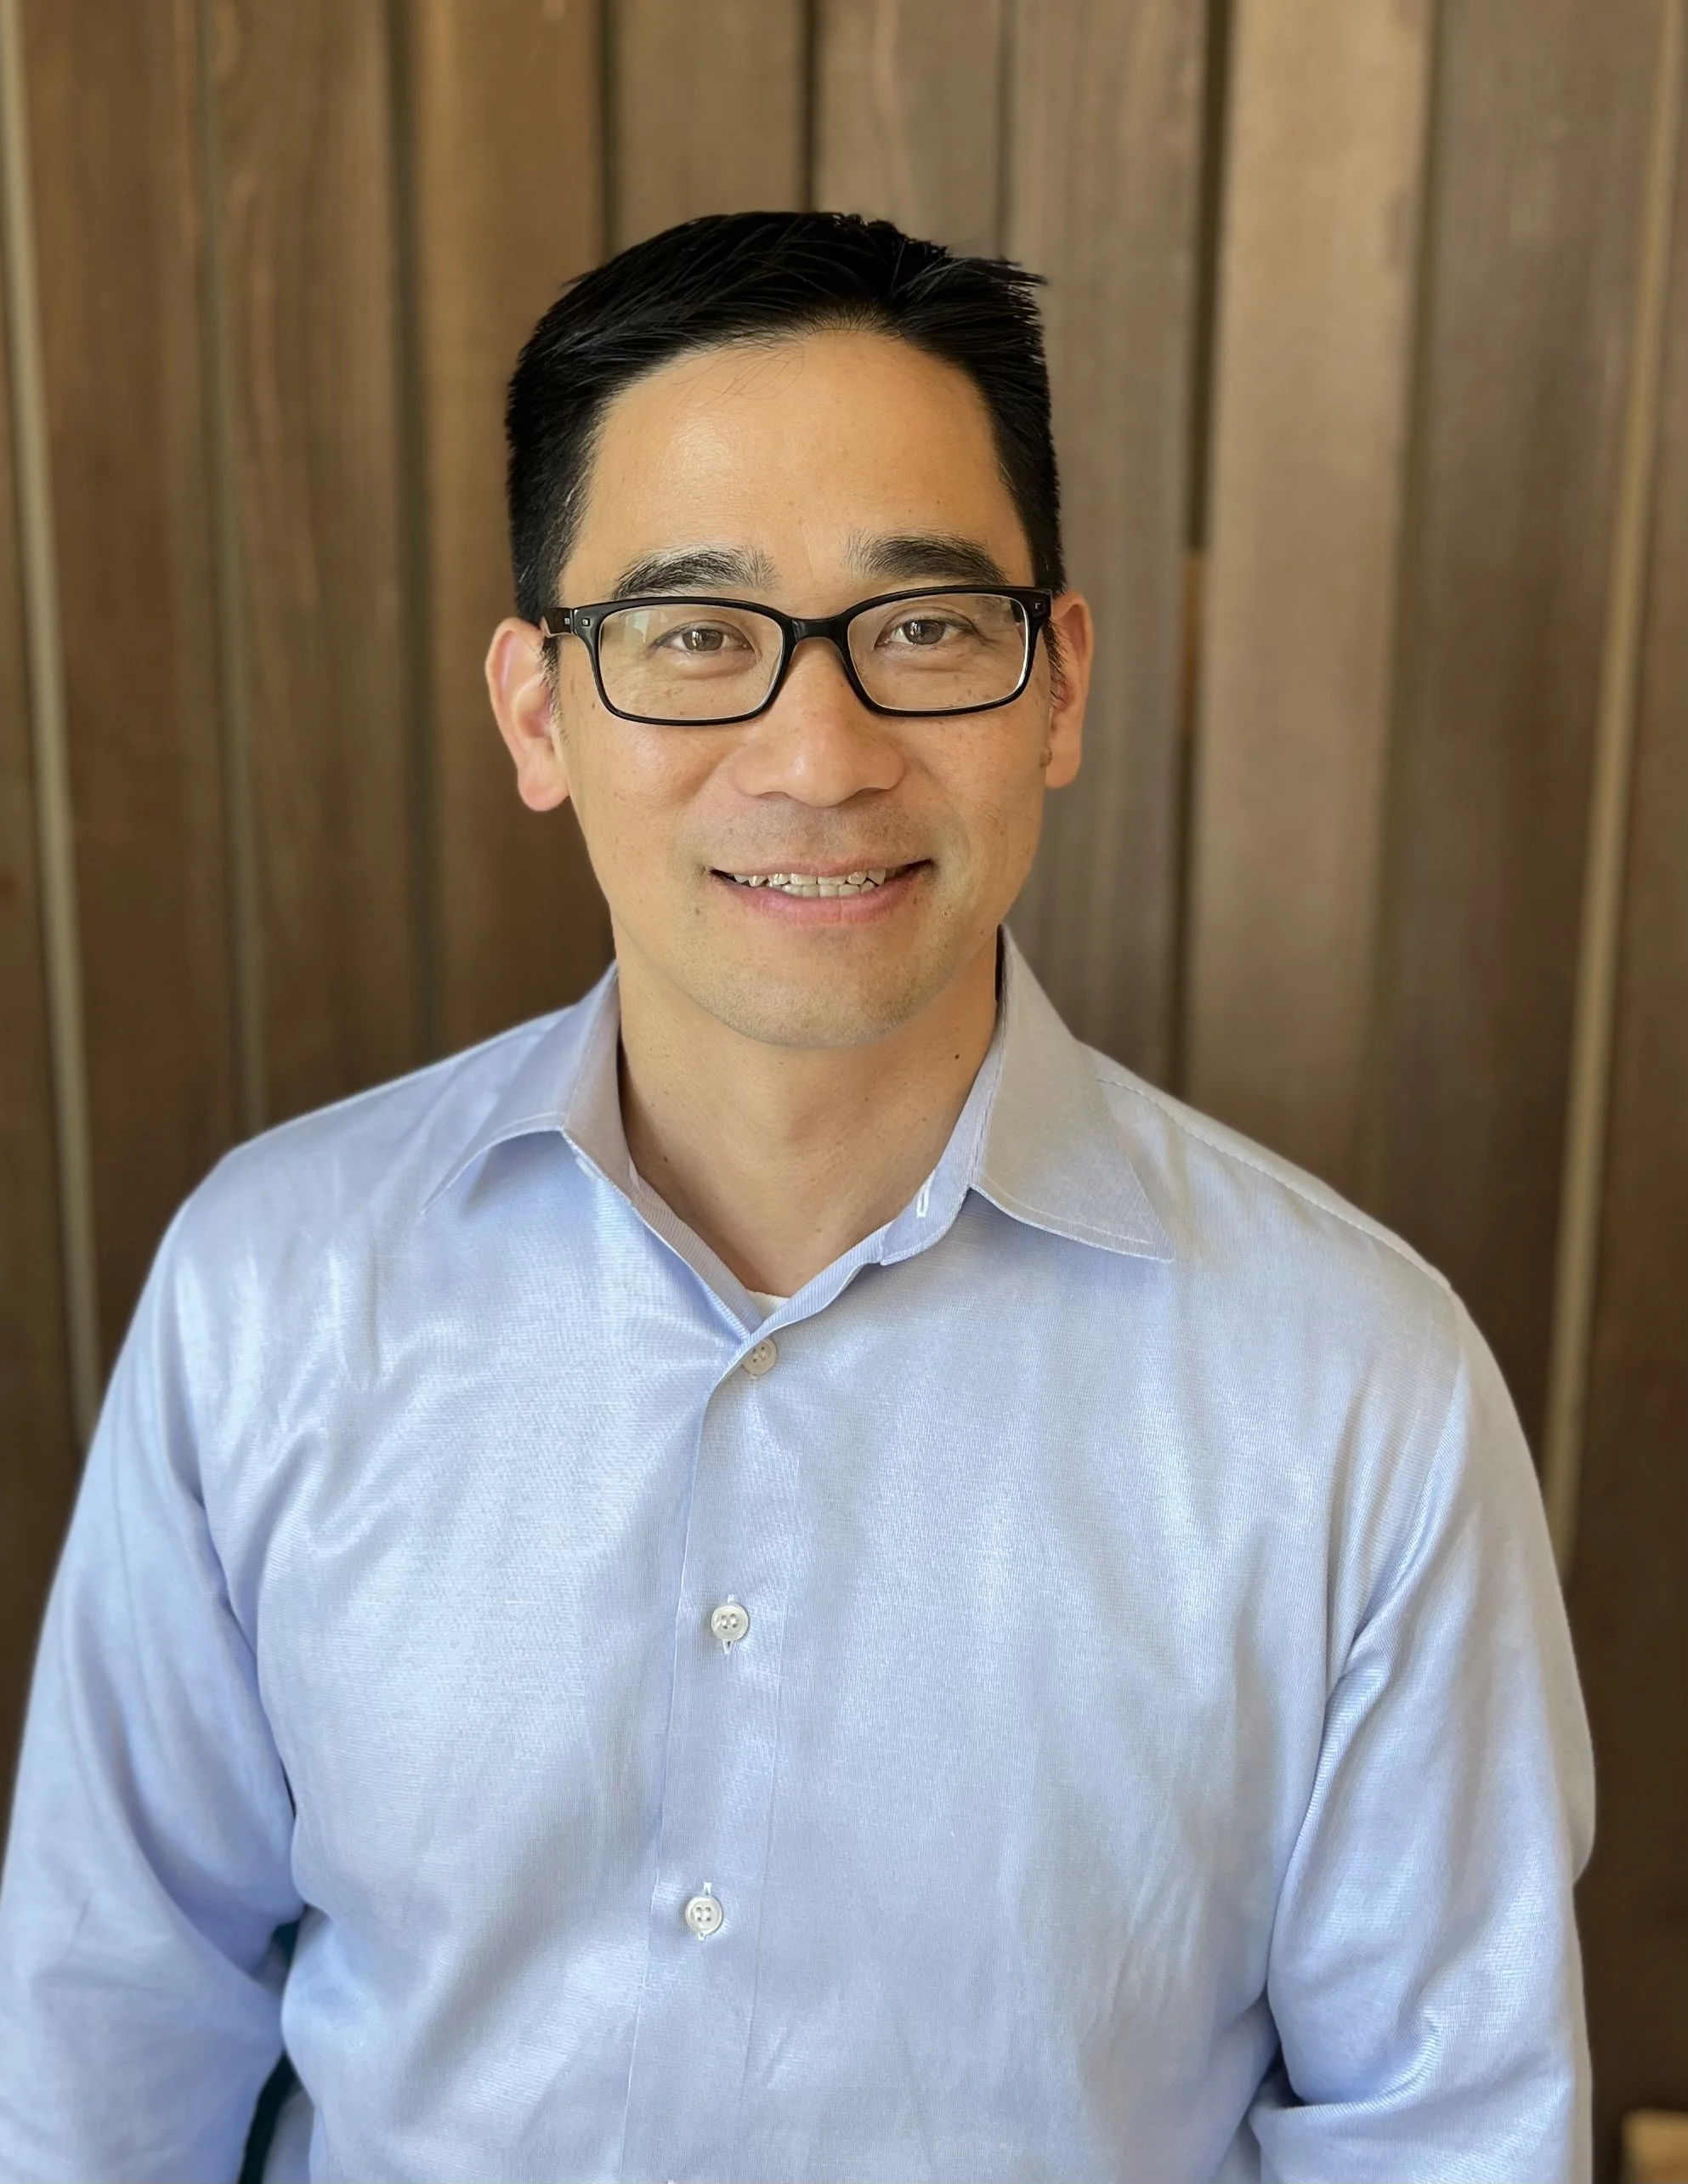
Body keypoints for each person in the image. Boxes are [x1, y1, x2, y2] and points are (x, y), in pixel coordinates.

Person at [0, 211, 1592, 2184]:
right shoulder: (273, 1282)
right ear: (534, 711)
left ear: (1059, 684)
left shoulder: (1358, 1388)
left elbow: (1444, 2135)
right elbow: (111, 2015)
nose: (818, 755)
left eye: (923, 628)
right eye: (694, 634)